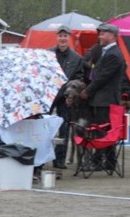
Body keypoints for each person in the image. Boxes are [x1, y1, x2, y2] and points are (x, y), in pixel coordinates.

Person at [79, 23, 126, 171]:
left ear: (112, 36)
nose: (100, 36)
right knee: (106, 130)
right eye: (100, 33)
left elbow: (102, 78)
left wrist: (88, 91)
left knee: (101, 130)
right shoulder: (106, 51)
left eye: (103, 34)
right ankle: (110, 162)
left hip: (105, 100)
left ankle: (98, 161)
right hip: (103, 98)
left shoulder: (113, 54)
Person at [49, 25, 84, 169]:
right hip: (49, 96)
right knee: (44, 127)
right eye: (60, 36)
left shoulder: (76, 58)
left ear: (69, 38)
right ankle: (40, 159)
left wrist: (72, 95)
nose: (63, 38)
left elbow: (79, 78)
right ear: (56, 37)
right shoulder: (48, 54)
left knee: (64, 128)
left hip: (66, 98)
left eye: (65, 36)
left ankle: (60, 160)